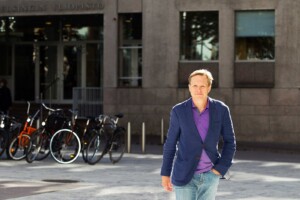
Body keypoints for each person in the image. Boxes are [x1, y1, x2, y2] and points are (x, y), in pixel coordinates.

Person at [161, 69, 236, 200]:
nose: (198, 90)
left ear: (209, 87)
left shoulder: (221, 109)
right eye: (195, 85)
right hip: (184, 175)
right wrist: (165, 173)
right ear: (189, 87)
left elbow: (230, 142)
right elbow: (170, 144)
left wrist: (220, 169)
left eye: (202, 86)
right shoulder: (178, 111)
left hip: (210, 175)